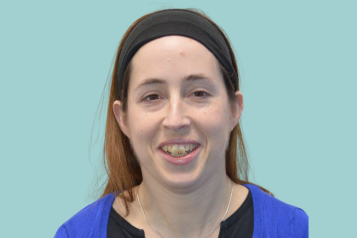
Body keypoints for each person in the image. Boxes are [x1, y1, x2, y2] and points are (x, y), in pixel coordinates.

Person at [54, 8, 308, 238]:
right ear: (123, 118)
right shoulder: (75, 234)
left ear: (234, 109)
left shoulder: (295, 229)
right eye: (152, 96)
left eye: (198, 93)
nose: (176, 120)